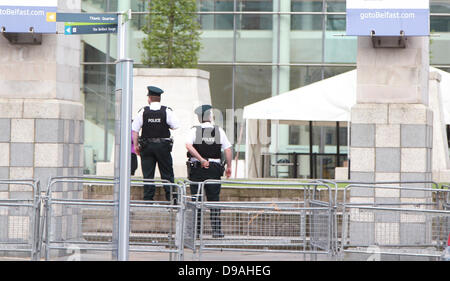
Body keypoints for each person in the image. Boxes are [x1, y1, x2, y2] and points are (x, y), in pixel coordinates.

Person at [185, 104, 232, 238]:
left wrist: (200, 159)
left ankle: (196, 231)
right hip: (214, 169)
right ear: (210, 117)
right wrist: (229, 167)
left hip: (197, 169)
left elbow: (188, 145)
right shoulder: (219, 131)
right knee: (214, 201)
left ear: (200, 118)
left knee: (196, 200)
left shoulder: (194, 131)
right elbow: (228, 149)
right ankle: (216, 231)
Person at [132, 86, 180, 202]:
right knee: (167, 174)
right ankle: (172, 200)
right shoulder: (166, 111)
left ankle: (148, 200)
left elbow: (135, 130)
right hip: (163, 147)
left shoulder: (143, 111)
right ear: (159, 98)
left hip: (146, 147)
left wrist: (135, 146)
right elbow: (175, 126)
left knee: (148, 175)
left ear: (149, 98)